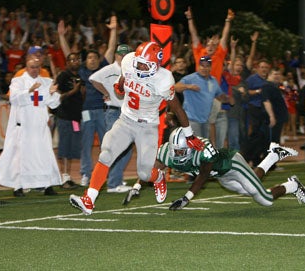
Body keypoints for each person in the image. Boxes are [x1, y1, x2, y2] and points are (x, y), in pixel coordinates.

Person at [69, 41, 205, 215]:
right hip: (126, 120)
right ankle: (89, 200)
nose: (139, 66)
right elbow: (122, 83)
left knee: (144, 173)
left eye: (144, 64)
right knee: (106, 153)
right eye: (138, 62)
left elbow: (177, 108)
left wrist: (189, 135)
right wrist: (119, 85)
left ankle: (158, 176)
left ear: (155, 65)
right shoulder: (129, 61)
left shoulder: (163, 79)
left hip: (147, 127)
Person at [124, 127, 305, 208]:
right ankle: (274, 154)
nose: (178, 155)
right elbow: (151, 171)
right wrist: (137, 186)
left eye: (182, 151)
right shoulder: (167, 152)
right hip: (221, 176)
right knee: (252, 188)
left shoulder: (203, 149)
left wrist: (186, 198)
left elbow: (203, 177)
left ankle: (293, 185)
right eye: (176, 151)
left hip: (232, 165)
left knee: (265, 199)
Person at [0, 54, 61, 196]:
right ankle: (18, 186)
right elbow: (14, 99)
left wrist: (53, 94)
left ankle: (47, 185)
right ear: (26, 68)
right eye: (31, 67)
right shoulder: (18, 81)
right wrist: (30, 91)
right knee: (21, 157)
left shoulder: (46, 81)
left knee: (44, 154)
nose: (34, 70)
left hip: (40, 125)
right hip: (24, 126)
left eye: (37, 67)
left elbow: (54, 103)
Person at [58, 15, 117, 187]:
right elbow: (68, 54)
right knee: (86, 145)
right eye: (89, 58)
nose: (92, 60)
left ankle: (106, 173)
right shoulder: (81, 70)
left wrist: (113, 31)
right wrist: (62, 36)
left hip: (103, 112)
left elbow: (111, 49)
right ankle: (85, 174)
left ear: (99, 60)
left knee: (106, 144)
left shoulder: (103, 69)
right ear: (86, 60)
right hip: (85, 113)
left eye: (95, 58)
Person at [89, 44, 133, 193]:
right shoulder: (109, 69)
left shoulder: (131, 70)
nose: (123, 57)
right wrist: (106, 92)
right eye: (121, 55)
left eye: (126, 55)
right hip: (114, 112)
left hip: (127, 113)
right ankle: (114, 183)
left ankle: (115, 179)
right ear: (116, 56)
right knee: (116, 147)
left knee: (126, 148)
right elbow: (93, 78)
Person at [174, 56, 233, 139]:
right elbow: (176, 87)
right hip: (191, 120)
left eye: (207, 66)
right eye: (202, 66)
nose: (204, 68)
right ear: (198, 67)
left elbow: (220, 96)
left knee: (203, 146)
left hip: (206, 120)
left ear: (210, 68)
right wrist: (188, 86)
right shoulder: (190, 78)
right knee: (196, 146)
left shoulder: (213, 80)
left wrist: (228, 99)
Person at [54, 52, 83, 189]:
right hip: (64, 116)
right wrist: (73, 91)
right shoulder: (63, 76)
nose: (75, 61)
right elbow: (56, 95)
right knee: (64, 146)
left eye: (77, 59)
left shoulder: (79, 77)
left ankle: (68, 176)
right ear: (67, 63)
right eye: (72, 60)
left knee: (72, 147)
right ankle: (64, 177)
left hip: (75, 118)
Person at [241, 59, 271, 167]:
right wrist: (258, 91)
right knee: (254, 135)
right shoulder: (252, 79)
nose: (264, 69)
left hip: (265, 110)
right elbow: (245, 91)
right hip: (254, 108)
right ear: (257, 68)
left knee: (264, 136)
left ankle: (256, 160)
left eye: (266, 68)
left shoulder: (269, 80)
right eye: (262, 67)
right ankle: (247, 158)